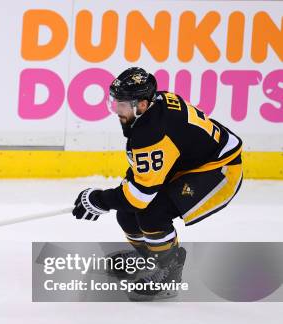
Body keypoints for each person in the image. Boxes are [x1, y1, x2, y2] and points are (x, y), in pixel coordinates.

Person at [72, 67, 243, 300]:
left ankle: (169, 268)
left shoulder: (151, 133)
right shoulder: (155, 104)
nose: (116, 109)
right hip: (188, 162)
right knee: (126, 214)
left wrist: (99, 200)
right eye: (114, 102)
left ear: (142, 105)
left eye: (122, 103)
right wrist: (111, 199)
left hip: (219, 171)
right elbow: (146, 174)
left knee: (152, 214)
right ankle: (150, 259)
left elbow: (139, 197)